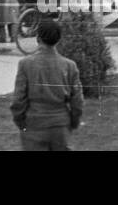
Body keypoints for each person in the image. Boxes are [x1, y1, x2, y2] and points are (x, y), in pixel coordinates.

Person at [9, 18, 82, 151]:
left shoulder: (26, 64)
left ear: (38, 38)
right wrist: (73, 122)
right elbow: (77, 101)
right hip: (60, 125)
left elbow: (18, 100)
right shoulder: (69, 66)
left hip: (34, 124)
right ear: (58, 39)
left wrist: (20, 122)